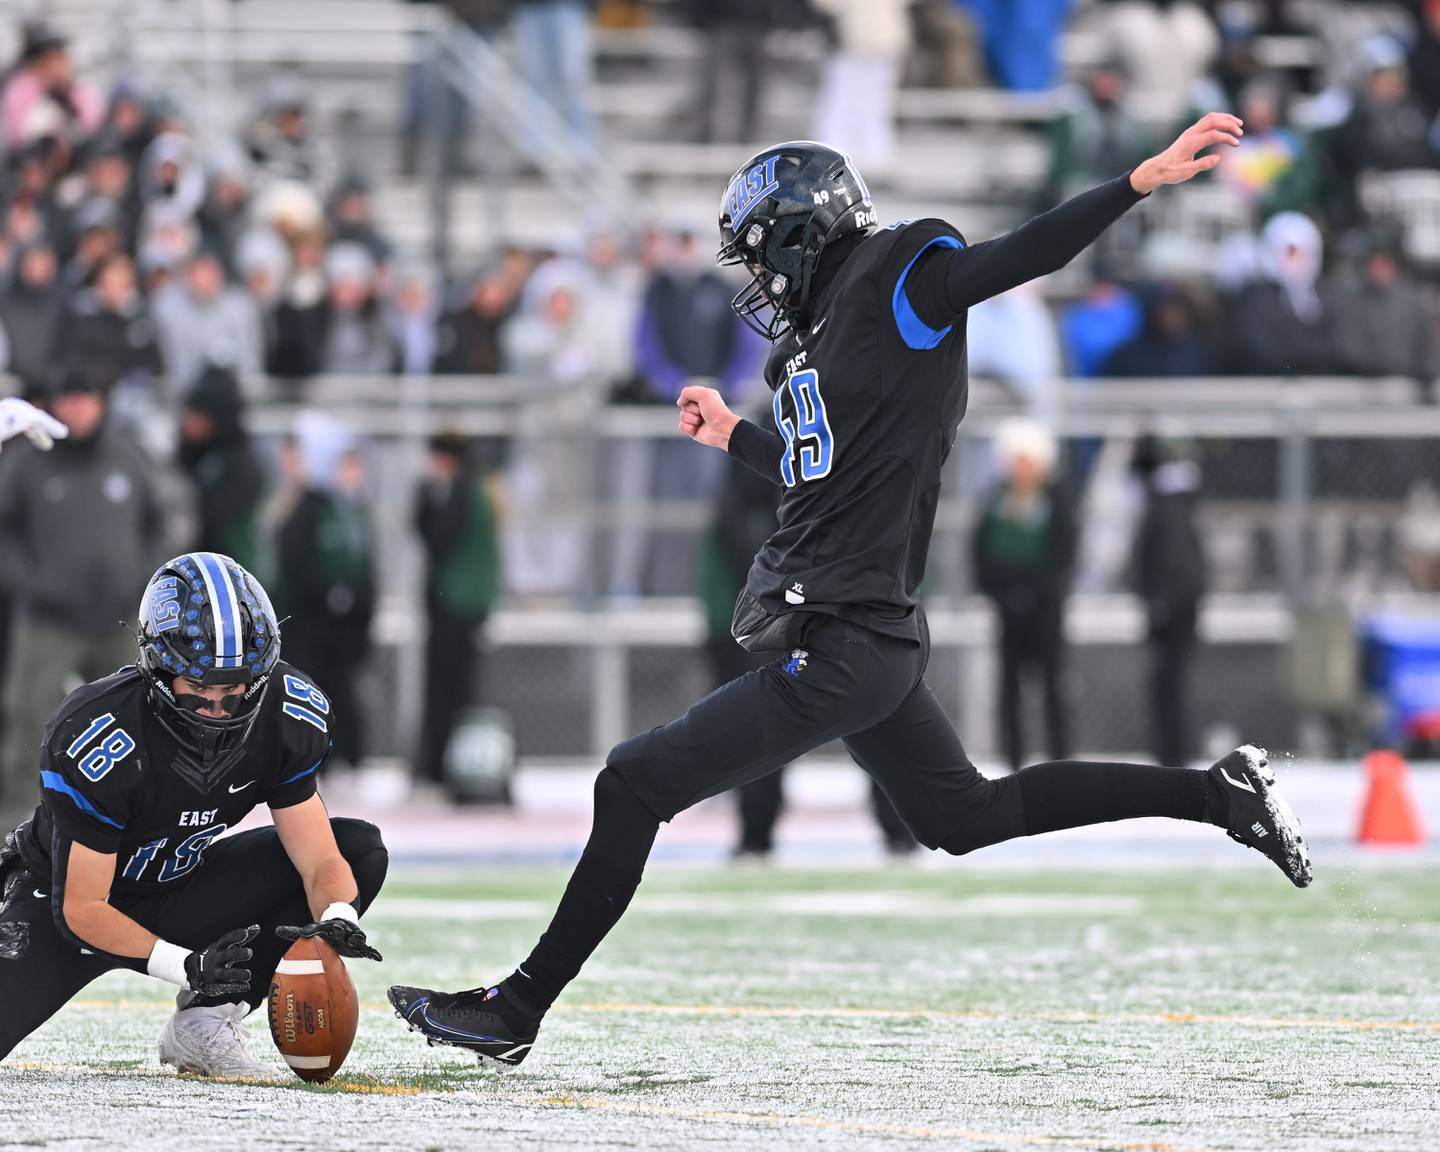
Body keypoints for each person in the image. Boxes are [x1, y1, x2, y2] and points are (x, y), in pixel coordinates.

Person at [387, 120, 1314, 1068]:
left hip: (840, 640)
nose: (756, 280)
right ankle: (1217, 794)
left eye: (759, 254)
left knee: (631, 784)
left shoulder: (900, 273)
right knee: (963, 818)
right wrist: (732, 438)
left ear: (798, 234)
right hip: (865, 637)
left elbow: (1010, 259)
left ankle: (518, 1008)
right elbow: (813, 469)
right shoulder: (815, 349)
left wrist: (1135, 182)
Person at [0, 552, 387, 1076]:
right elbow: (82, 907)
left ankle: (205, 1023)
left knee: (359, 850)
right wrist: (186, 965)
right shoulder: (102, 734)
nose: (218, 709)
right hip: (65, 903)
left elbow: (319, 859)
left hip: (179, 885)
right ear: (159, 671)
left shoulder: (284, 715)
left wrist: (336, 917)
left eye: (233, 690)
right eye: (199, 688)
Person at [0, 371, 165, 831]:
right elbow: (4, 530)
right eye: (68, 398)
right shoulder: (28, 461)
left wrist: (140, 579)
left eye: (86, 398)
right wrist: (31, 582)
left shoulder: (127, 458)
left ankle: (134, 822)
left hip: (116, 619)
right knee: (30, 721)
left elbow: (159, 521)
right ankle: (17, 827)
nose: (77, 409)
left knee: (136, 723)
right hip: (48, 620)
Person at [972, 420, 1075, 775]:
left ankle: (1061, 762)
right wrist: (1002, 592)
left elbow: (1064, 551)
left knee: (1052, 685)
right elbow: (981, 550)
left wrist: (1038, 589)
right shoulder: (997, 499)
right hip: (1008, 610)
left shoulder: (1055, 498)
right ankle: (1013, 760)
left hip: (1046, 609)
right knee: (1009, 688)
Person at [274, 418, 375, 770]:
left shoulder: (333, 510)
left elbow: (356, 568)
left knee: (335, 689)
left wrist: (348, 603)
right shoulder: (300, 506)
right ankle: (314, 756)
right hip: (303, 620)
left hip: (326, 624)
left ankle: (340, 755)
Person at [412, 434, 501, 790]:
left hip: (454, 607)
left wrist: (424, 501)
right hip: (466, 606)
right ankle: (446, 768)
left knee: (445, 692)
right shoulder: (479, 492)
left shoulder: (460, 494)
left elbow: (437, 537)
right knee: (457, 690)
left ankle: (440, 769)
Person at [1131, 436, 1207, 768]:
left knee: (1168, 683)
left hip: (1172, 606)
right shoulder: (1176, 502)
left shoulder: (1167, 505)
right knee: (1170, 682)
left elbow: (1172, 558)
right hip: (1177, 603)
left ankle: (1172, 753)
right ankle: (1173, 751)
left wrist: (1161, 599)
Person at [178, 366, 267, 574]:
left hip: (231, 572)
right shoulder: (194, 455)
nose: (188, 423)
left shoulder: (241, 466)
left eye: (196, 415)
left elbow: (207, 518)